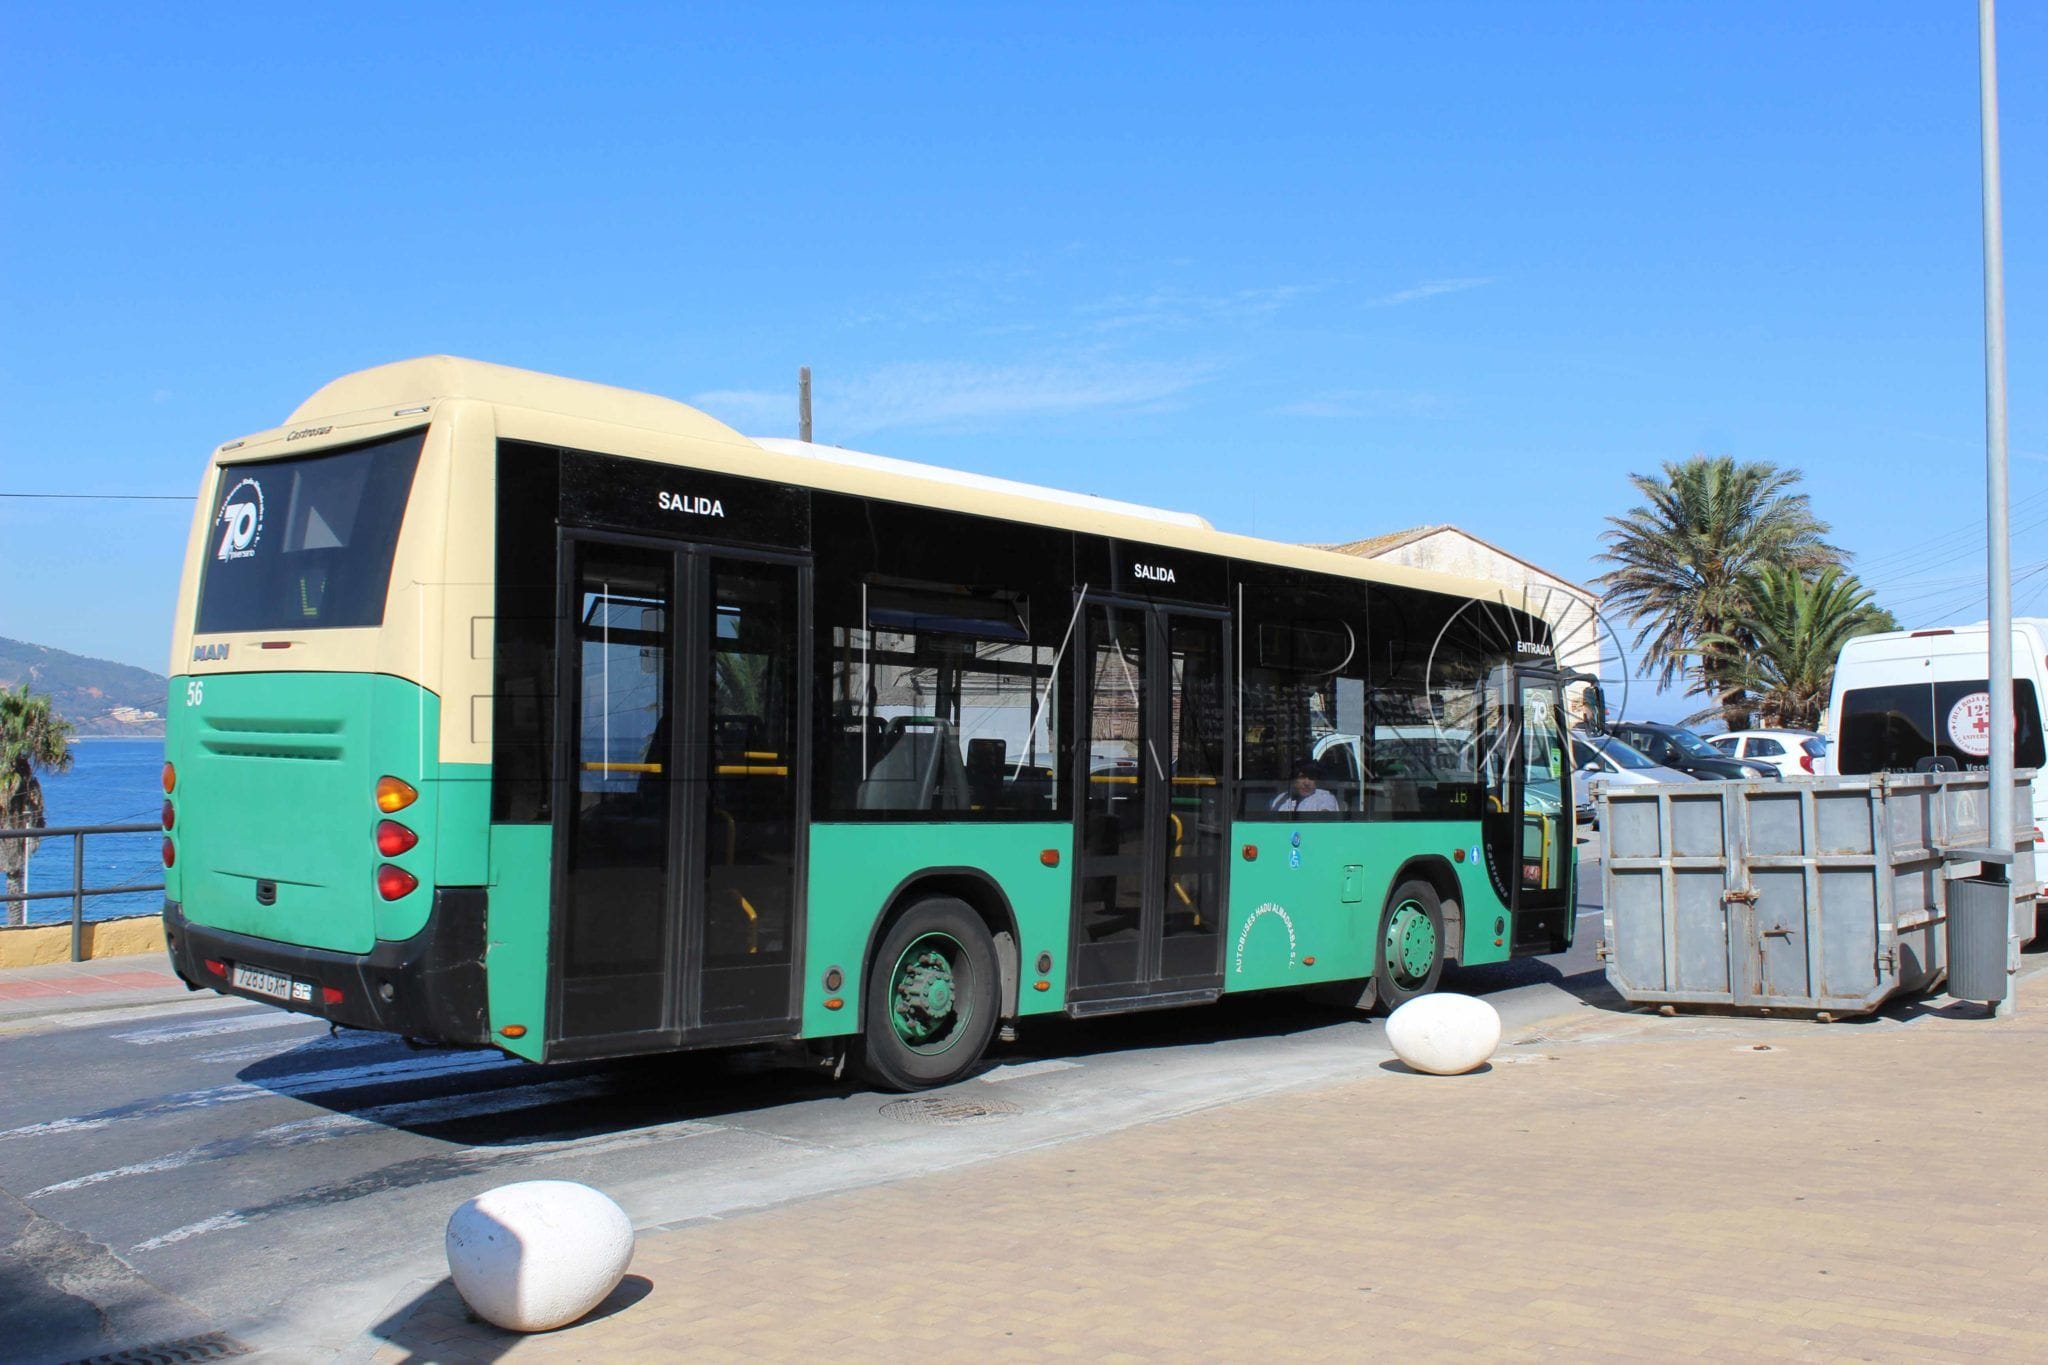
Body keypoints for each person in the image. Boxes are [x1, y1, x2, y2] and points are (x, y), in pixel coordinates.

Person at [1270, 759, 1340, 814]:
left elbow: (1325, 822)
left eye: (1311, 777)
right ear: (1293, 780)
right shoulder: (1281, 799)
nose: (1307, 783)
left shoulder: (1325, 797)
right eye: (1302, 777)